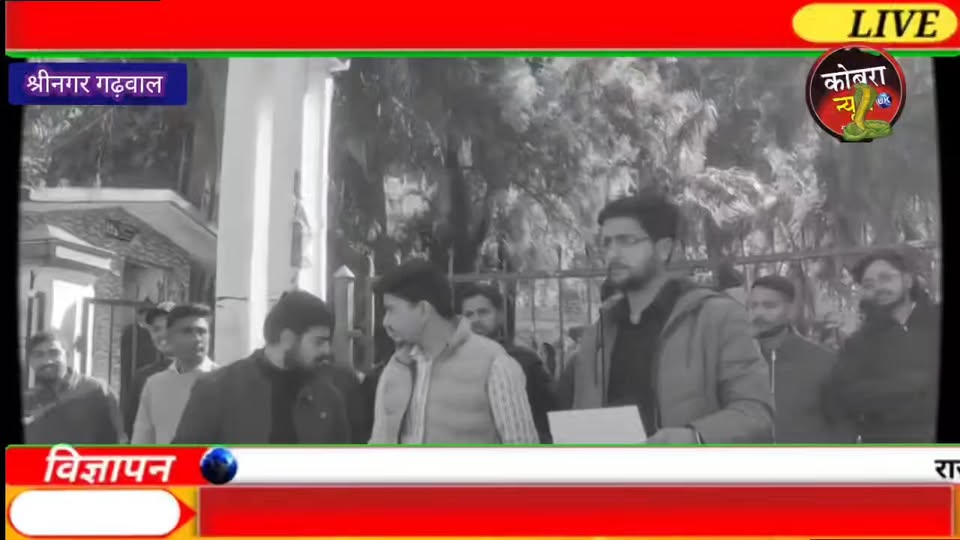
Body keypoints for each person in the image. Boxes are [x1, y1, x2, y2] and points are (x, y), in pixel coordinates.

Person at [562, 192, 773, 444]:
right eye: (607, 243)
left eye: (627, 241)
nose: (613, 254)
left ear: (663, 249)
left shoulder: (717, 318)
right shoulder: (597, 335)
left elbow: (755, 413)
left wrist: (694, 437)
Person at [369, 259, 539, 444]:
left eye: (391, 310)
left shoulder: (494, 364)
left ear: (424, 310)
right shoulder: (398, 366)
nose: (385, 322)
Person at [172, 290, 365, 444]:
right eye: (319, 342)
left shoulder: (328, 397)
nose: (327, 350)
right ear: (287, 338)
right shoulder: (217, 390)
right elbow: (184, 467)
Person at [824, 250, 941, 443]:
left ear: (907, 280)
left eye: (886, 278)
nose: (878, 288)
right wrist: (913, 384)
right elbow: (840, 398)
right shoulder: (859, 343)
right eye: (869, 285)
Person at [748, 275, 851, 443]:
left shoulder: (823, 362)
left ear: (791, 309)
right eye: (753, 306)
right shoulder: (737, 361)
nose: (758, 313)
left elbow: (844, 425)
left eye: (769, 306)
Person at [459, 284, 558, 443]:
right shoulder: (455, 363)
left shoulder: (524, 360)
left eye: (483, 312)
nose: (475, 320)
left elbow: (547, 416)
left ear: (500, 315)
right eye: (469, 315)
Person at [132, 304, 218, 444]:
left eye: (202, 331)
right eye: (187, 331)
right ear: (170, 338)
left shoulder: (227, 382)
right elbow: (142, 442)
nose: (197, 338)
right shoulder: (154, 385)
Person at [23, 331, 125, 444]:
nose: (47, 361)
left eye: (54, 353)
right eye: (38, 355)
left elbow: (119, 441)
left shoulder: (97, 390)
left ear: (67, 355)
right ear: (30, 361)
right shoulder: (27, 402)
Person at [123, 302, 175, 438]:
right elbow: (132, 428)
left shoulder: (208, 375)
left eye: (169, 327)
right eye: (156, 329)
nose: (162, 334)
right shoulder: (143, 378)